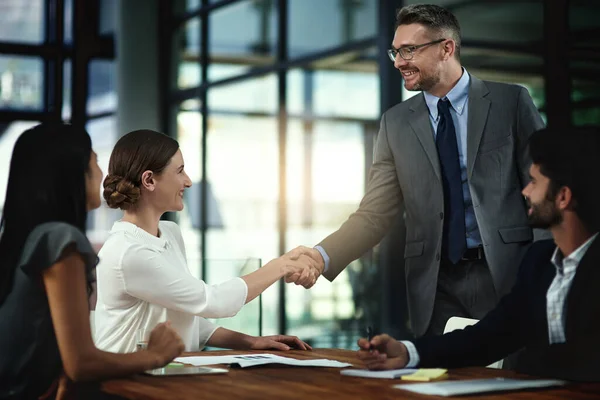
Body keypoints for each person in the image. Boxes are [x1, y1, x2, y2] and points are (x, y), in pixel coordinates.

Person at [288, 3, 548, 337]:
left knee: (514, 381)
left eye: (409, 50)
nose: (399, 62)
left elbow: (546, 189)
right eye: (395, 52)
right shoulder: (395, 124)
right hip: (435, 284)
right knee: (440, 380)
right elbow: (374, 214)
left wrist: (546, 269)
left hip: (509, 272)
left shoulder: (511, 102)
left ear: (446, 49)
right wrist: (322, 256)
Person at [357, 126, 600, 382]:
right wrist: (408, 353)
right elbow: (491, 335)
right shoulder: (539, 262)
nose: (525, 192)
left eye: (534, 182)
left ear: (563, 197)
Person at [0, 123, 185, 400]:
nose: (102, 175)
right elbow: (82, 363)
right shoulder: (61, 240)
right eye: (95, 162)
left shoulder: (33, 238)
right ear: (71, 173)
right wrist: (155, 356)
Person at [94, 129, 313, 353]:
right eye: (180, 171)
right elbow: (212, 301)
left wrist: (251, 341)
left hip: (166, 376)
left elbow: (184, 316)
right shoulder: (127, 252)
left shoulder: (170, 233)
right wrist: (281, 265)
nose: (188, 181)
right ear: (149, 180)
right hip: (124, 381)